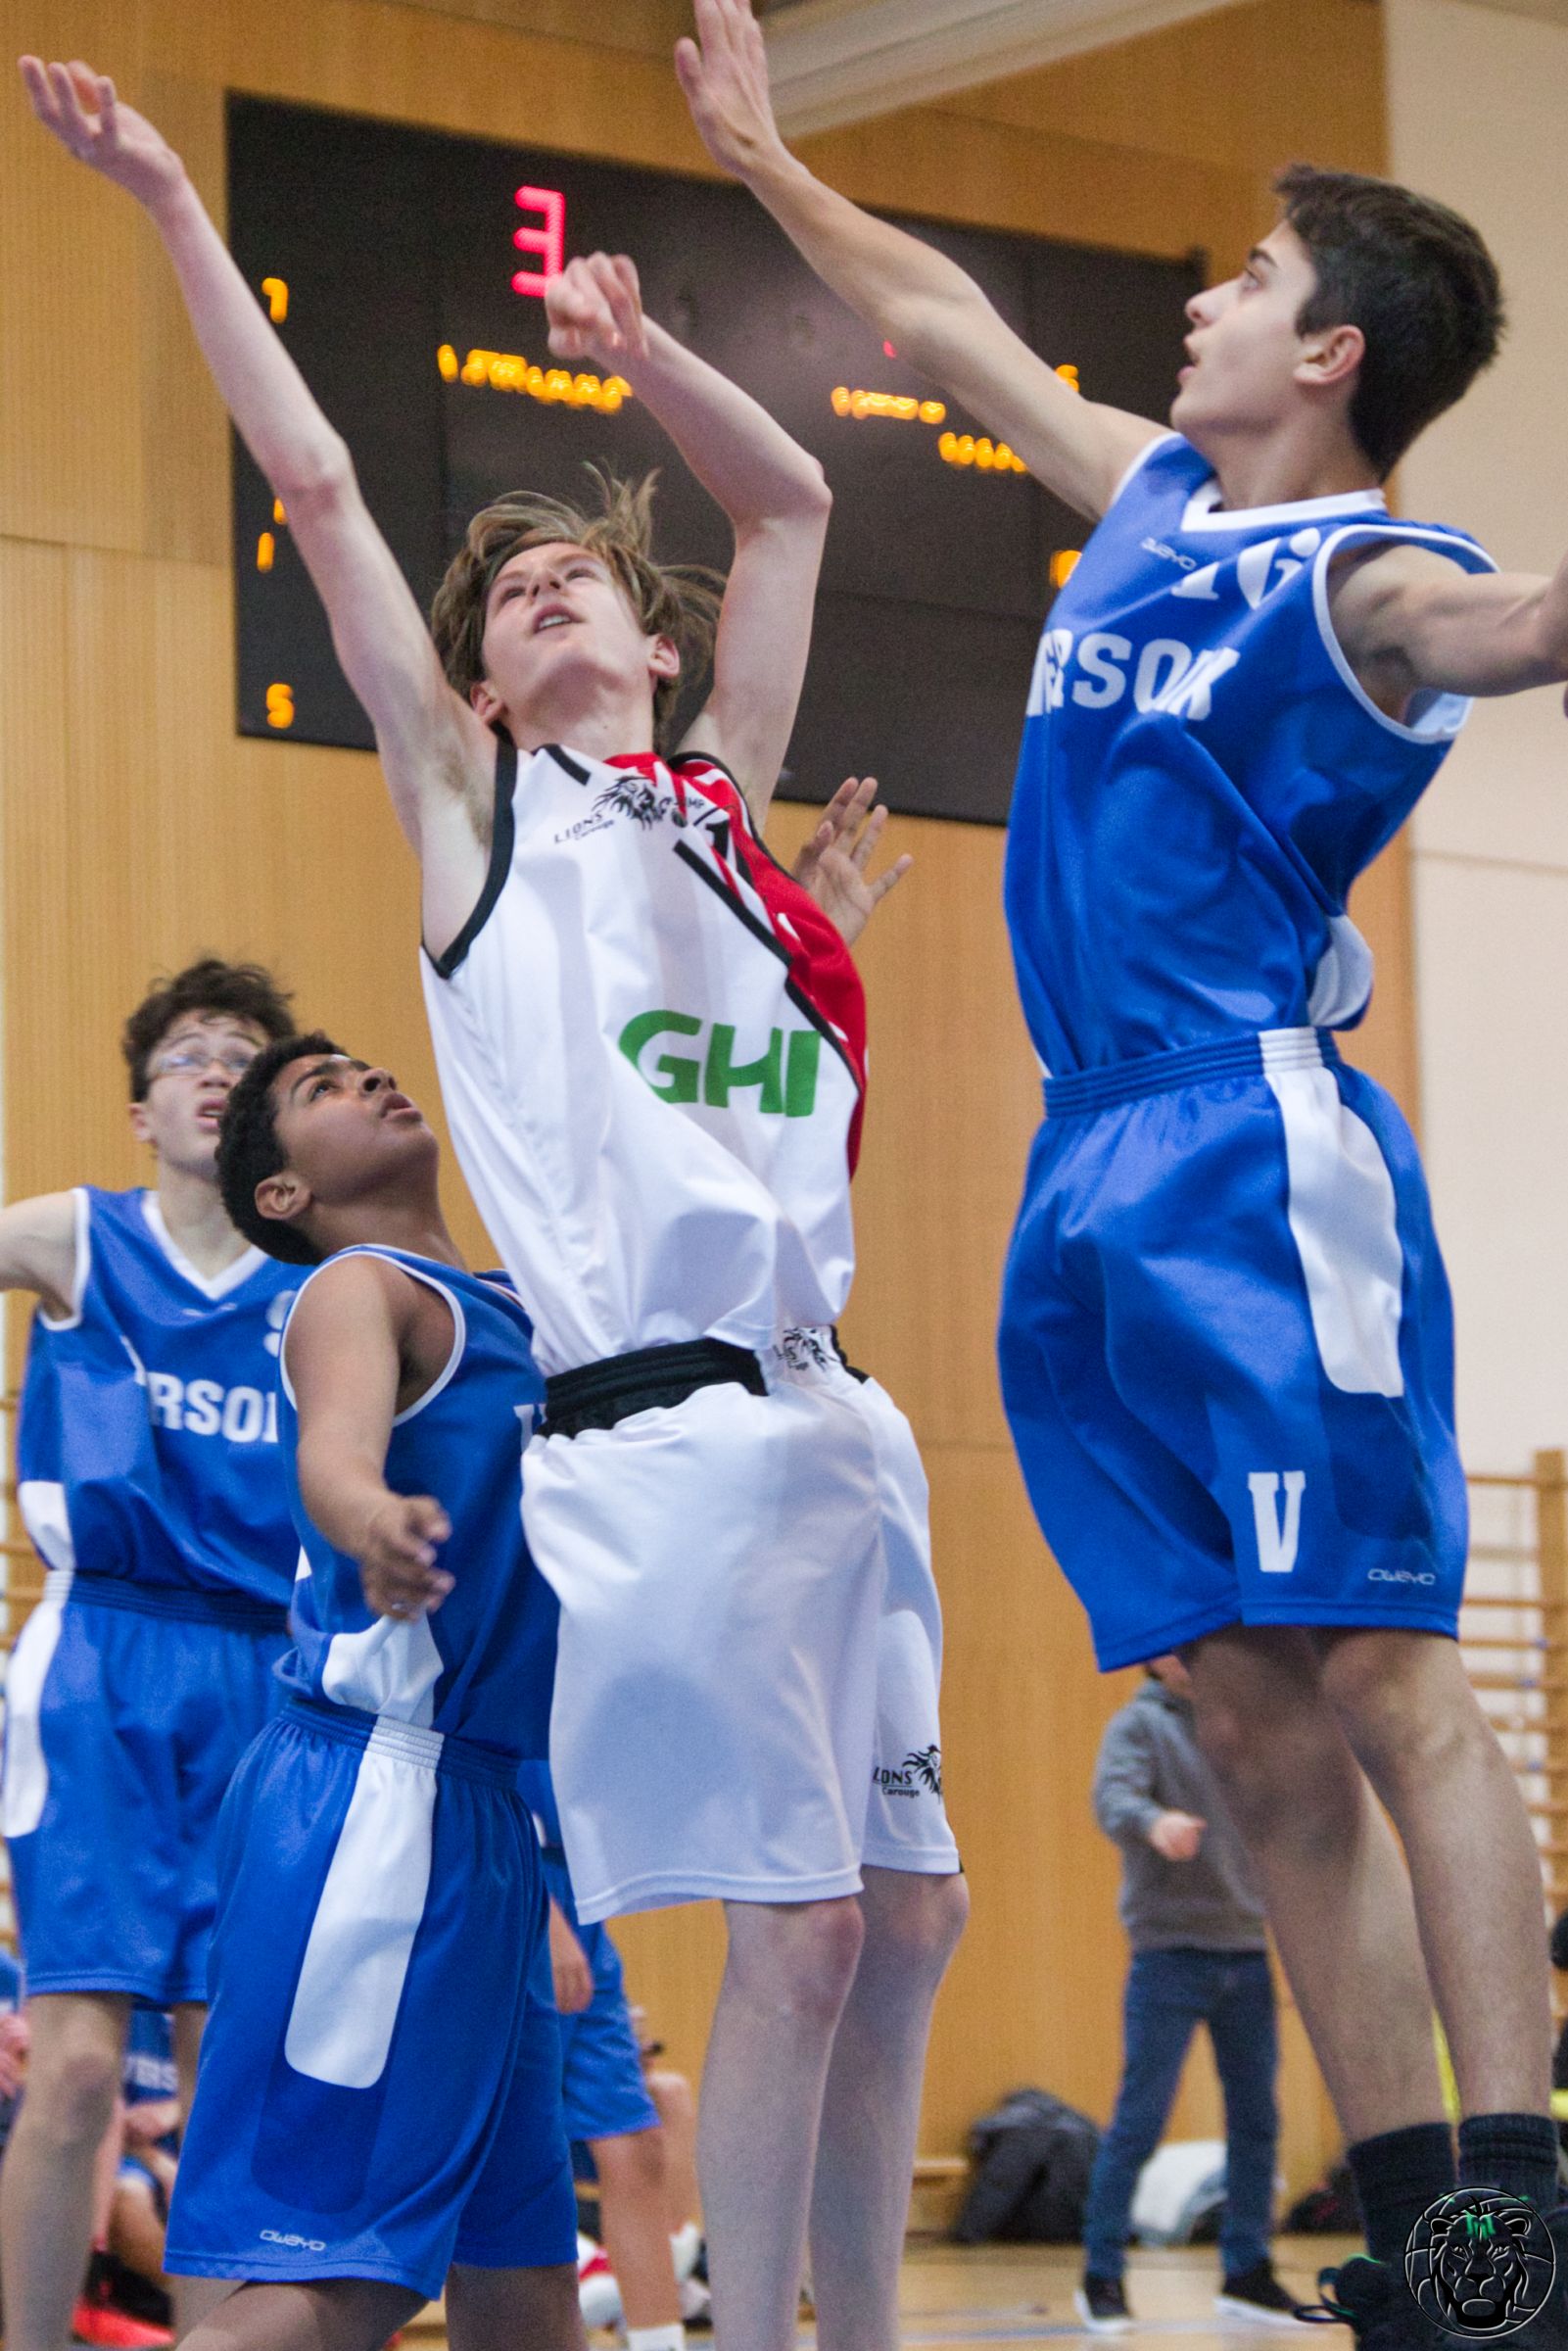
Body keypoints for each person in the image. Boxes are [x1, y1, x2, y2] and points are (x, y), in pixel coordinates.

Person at [20, 57, 968, 2351]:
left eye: (578, 580)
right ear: (473, 683)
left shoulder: (718, 805)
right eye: (509, 596)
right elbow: (318, 481)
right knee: (796, 1935)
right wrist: (168, 205)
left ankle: (857, 2321)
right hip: (655, 1426)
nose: (544, 594)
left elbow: (790, 503)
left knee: (907, 1921)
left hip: (841, 1414)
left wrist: (645, 354)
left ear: (651, 648)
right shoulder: (480, 827)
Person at [672, 7, 1568, 2344]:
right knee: (1247, 1721)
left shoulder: (1367, 579)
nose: (1200, 301)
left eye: (1244, 279)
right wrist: (760, 156)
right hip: (1082, 1171)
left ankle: (1516, 2219)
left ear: (1330, 349)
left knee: (1381, 1670)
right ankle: (1424, 2246)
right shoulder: (1153, 496)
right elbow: (938, 313)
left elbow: (1517, 632)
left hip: (1250, 1151)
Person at [160, 1032, 580, 2351]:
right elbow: (332, 1453)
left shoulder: (518, 1299)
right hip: (376, 1805)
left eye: (363, 1066)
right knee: (351, 2274)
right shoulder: (358, 1286)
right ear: (281, 1193)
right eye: (321, 1089)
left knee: (522, 2274)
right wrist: (372, 1520)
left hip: (480, 1808)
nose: (370, 1081)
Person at [0, 956, 303, 2351]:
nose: (215, 1072)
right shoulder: (80, 1237)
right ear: (141, 1109)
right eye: (190, 1053)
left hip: (266, 1673)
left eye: (243, 1056)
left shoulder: (322, 1282)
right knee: (74, 2072)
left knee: (222, 2074)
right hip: (101, 1664)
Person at [1078, 1655, 1303, 2331]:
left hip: (1246, 1949)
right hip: (1169, 1954)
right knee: (1140, 2120)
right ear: (1154, 1658)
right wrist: (1153, 1823)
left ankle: (1246, 2270)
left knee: (1256, 2120)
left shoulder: (1239, 1725)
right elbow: (1112, 1799)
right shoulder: (1139, 1726)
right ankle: (1101, 2273)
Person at [523, 1757, 689, 2351]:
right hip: (507, 1877)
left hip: (578, 1900)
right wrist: (538, 1909)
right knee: (516, 2155)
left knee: (635, 2145)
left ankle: (659, 2341)